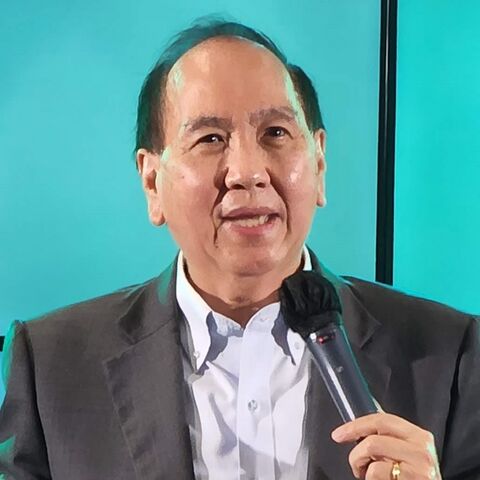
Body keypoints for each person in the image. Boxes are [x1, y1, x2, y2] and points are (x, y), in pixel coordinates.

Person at [0, 17, 479, 480]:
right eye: (211, 139)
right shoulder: (51, 366)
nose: (248, 172)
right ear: (151, 181)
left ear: (319, 163)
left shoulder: (451, 355)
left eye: (275, 133)